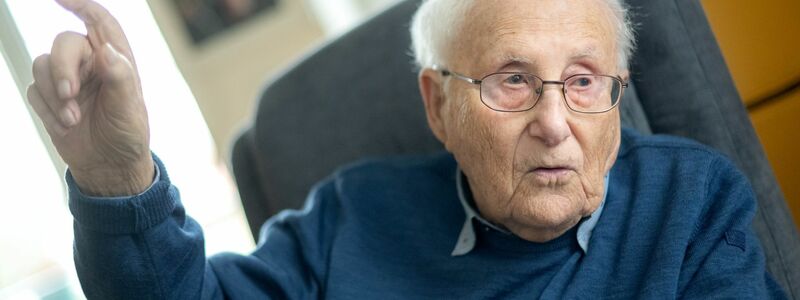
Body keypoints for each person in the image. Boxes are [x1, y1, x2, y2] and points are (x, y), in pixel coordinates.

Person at [27, 0, 786, 298]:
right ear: (439, 105)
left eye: (586, 81)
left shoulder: (694, 202)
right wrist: (114, 174)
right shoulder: (350, 218)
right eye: (512, 82)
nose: (557, 124)